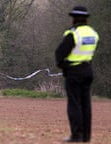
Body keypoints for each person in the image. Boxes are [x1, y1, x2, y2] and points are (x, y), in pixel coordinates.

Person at [55, 6, 99, 143]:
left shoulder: (73, 34)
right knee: (86, 104)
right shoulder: (93, 33)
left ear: (73, 18)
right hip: (88, 69)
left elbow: (59, 54)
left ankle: (76, 135)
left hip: (74, 72)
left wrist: (65, 67)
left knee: (74, 104)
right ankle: (86, 136)